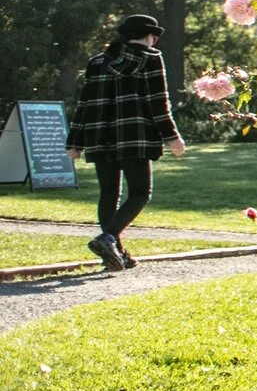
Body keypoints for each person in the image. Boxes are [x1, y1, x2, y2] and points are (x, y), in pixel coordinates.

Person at [66, 14, 184, 270]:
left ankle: (115, 252)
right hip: (135, 137)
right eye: (155, 37)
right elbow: (158, 101)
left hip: (99, 137)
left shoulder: (97, 62)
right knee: (140, 193)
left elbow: (84, 104)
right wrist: (172, 136)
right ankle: (108, 239)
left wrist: (75, 141)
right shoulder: (151, 58)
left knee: (109, 193)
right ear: (149, 36)